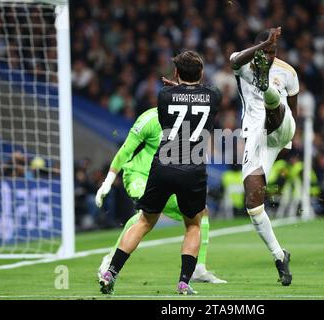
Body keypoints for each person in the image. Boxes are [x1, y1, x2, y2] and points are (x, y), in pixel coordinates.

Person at [98, 51, 222, 295]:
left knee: (145, 220)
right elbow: (199, 96)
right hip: (193, 169)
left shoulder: (164, 96)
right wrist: (187, 87)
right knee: (194, 224)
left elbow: (181, 104)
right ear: (202, 73)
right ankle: (184, 281)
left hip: (163, 166)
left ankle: (111, 271)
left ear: (176, 73)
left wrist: (178, 88)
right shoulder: (213, 96)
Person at [95, 106, 226, 284]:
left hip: (165, 178)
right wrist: (107, 181)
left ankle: (198, 269)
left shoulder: (185, 120)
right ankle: (110, 261)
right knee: (146, 214)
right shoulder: (149, 119)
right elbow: (126, 150)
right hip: (138, 175)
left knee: (201, 211)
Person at [229, 26, 298, 286]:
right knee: (253, 205)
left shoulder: (289, 72)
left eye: (272, 52)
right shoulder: (243, 62)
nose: (269, 56)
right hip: (257, 136)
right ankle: (280, 257)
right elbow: (234, 60)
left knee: (274, 102)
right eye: (266, 51)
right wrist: (261, 46)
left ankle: (266, 87)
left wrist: (289, 140)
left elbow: (294, 108)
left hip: (282, 125)